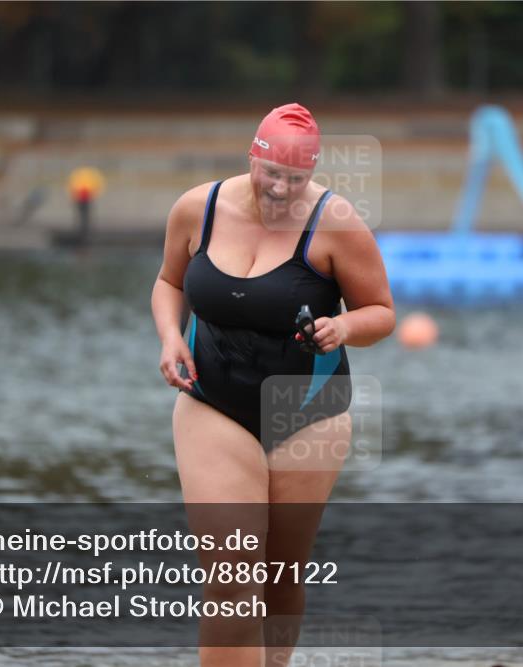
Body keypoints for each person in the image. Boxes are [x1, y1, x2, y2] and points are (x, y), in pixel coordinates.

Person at [151, 103, 395, 667]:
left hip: (307, 410)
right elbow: (168, 282)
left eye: (296, 178)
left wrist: (344, 326)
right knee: (232, 579)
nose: (282, 189)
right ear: (251, 158)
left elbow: (381, 312)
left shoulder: (335, 222)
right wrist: (170, 338)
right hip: (214, 402)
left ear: (312, 174)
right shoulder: (199, 208)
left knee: (281, 575)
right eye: (272, 174)